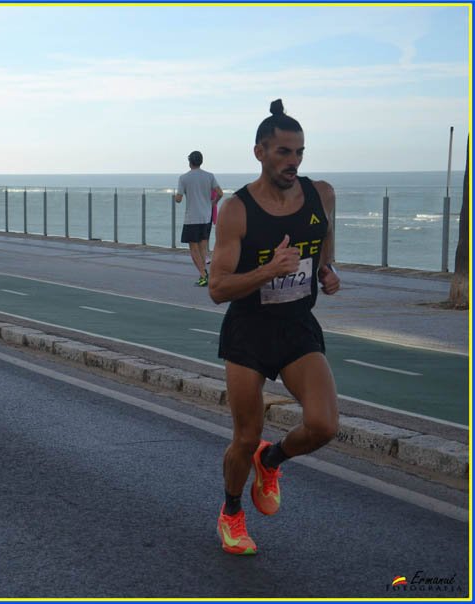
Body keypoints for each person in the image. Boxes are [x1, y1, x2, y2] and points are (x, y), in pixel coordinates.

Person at [208, 99, 340, 555]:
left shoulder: (320, 193)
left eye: (299, 152)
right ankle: (231, 513)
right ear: (260, 152)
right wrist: (269, 270)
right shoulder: (237, 210)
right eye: (283, 152)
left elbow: (323, 235)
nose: (294, 162)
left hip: (297, 325)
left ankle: (274, 457)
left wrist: (326, 269)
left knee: (323, 425)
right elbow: (218, 287)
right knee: (244, 436)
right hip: (249, 329)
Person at [175, 151, 223, 286]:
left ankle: (203, 275)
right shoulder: (209, 176)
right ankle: (205, 274)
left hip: (192, 218)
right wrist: (214, 202)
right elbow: (220, 193)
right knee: (203, 247)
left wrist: (175, 197)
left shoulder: (184, 178)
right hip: (206, 217)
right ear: (201, 161)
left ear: (190, 162)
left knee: (193, 248)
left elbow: (178, 199)